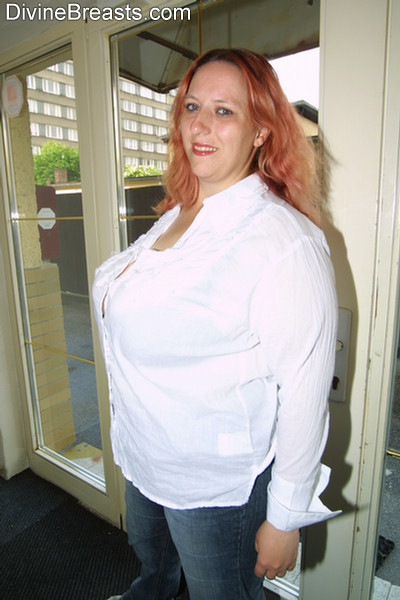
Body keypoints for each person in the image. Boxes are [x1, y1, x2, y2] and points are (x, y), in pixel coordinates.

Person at [92, 48, 339, 600]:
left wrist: (285, 517)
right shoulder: (180, 213)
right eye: (192, 106)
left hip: (214, 485)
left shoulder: (284, 241)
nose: (200, 125)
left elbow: (304, 391)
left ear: (261, 131)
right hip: (144, 452)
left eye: (224, 111)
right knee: (153, 570)